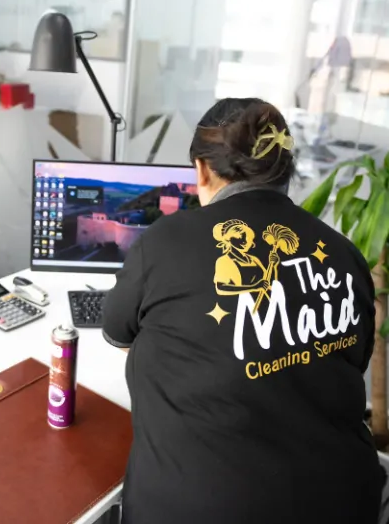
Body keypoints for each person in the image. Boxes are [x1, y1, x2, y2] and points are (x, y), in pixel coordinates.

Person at [102, 98, 382, 524]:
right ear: (284, 169)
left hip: (195, 508)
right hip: (346, 500)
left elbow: (117, 333)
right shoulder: (345, 254)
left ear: (201, 170)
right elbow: (348, 360)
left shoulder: (165, 241)